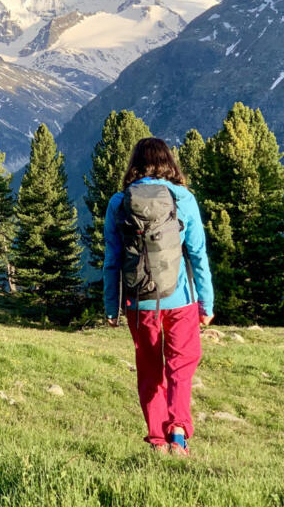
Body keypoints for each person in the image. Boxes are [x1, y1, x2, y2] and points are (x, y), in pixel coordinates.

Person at [103, 137, 214, 456]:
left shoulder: (119, 202)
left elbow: (112, 259)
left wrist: (111, 307)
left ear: (135, 164)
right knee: (180, 364)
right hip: (180, 300)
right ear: (169, 163)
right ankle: (178, 433)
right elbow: (197, 254)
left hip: (139, 302)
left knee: (149, 367)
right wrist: (207, 303)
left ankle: (156, 440)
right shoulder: (183, 198)